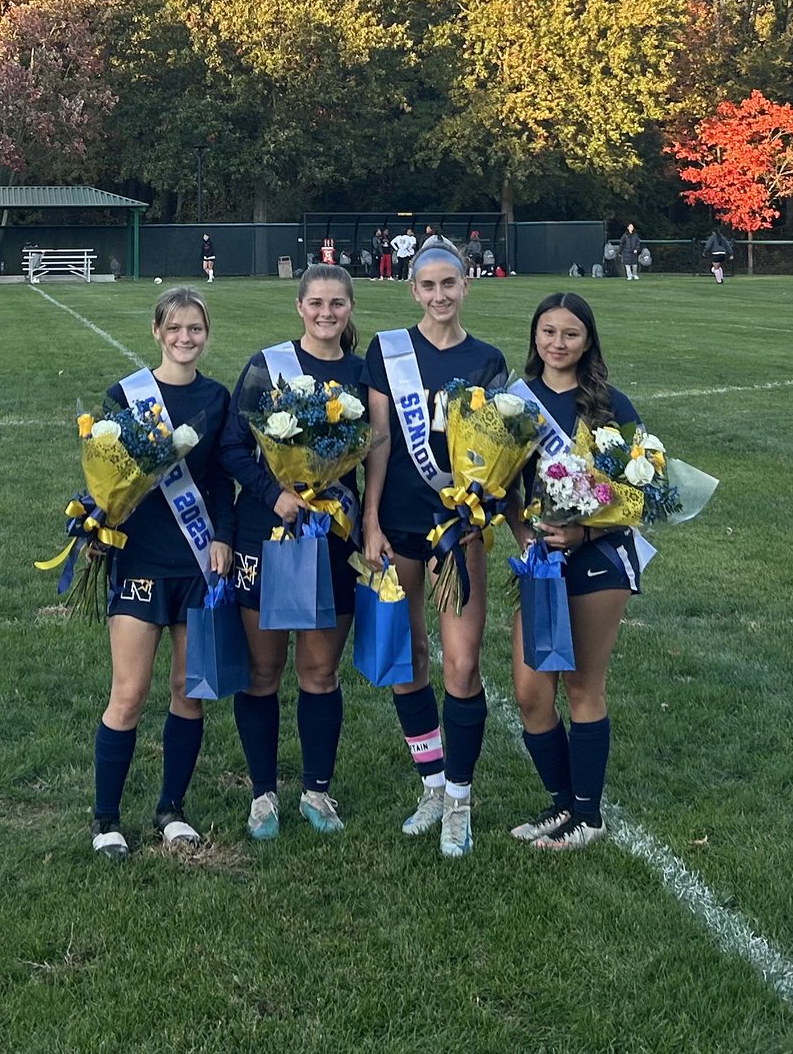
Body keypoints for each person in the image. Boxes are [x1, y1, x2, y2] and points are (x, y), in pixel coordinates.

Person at [362, 245, 508, 858]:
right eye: (428, 285)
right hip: (395, 522)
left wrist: (481, 513)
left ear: (466, 285)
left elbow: (503, 449)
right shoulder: (386, 350)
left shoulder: (487, 359)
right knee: (407, 654)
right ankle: (431, 782)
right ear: (413, 290)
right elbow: (378, 440)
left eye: (450, 283)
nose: (440, 295)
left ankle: (459, 797)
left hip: (458, 528)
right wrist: (368, 519)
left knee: (461, 664)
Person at [90, 286, 235, 859]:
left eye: (195, 328)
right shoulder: (126, 396)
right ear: (156, 331)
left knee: (187, 689)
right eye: (174, 327)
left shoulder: (216, 397)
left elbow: (222, 479)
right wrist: (98, 522)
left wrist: (221, 533)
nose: (184, 337)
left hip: (198, 562)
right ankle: (106, 820)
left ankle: (171, 809)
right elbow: (107, 475)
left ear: (206, 333)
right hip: (142, 557)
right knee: (129, 693)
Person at [221, 264, 364, 840]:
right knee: (262, 670)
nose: (326, 313)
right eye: (316, 303)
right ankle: (262, 794)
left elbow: (374, 455)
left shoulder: (362, 372)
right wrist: (273, 493)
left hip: (330, 540)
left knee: (320, 671)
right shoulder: (266, 365)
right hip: (266, 532)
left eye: (337, 303)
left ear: (350, 308)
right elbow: (232, 447)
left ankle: (317, 792)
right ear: (299, 307)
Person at [506, 292, 643, 850]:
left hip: (600, 559)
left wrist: (583, 533)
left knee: (582, 685)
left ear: (587, 341)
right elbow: (499, 486)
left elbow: (637, 495)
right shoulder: (514, 404)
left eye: (569, 333)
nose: (557, 343)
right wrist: (524, 537)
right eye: (547, 332)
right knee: (531, 693)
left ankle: (587, 815)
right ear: (534, 336)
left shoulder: (612, 405)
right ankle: (564, 805)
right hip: (541, 564)